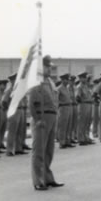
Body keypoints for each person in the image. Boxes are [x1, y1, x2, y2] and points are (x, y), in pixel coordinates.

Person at [28, 55, 62, 190]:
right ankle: (38, 181)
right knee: (39, 151)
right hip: (42, 118)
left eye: (50, 66)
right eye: (48, 66)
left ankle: (48, 178)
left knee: (49, 151)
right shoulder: (36, 82)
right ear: (41, 68)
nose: (50, 69)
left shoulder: (50, 82)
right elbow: (31, 104)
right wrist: (37, 119)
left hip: (52, 117)